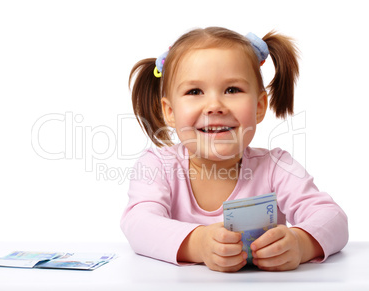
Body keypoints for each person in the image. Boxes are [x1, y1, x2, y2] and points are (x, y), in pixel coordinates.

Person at [120, 27, 348, 272]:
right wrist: (197, 243)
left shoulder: (276, 167)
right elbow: (138, 224)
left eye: (232, 90)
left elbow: (333, 219)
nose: (214, 106)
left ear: (259, 106)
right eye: (194, 92)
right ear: (170, 112)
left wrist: (302, 243)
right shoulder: (157, 165)